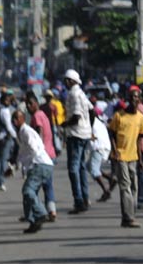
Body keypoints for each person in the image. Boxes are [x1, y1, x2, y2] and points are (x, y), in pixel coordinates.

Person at [107, 86, 143, 228]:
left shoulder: (140, 118)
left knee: (134, 187)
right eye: (131, 97)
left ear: (139, 100)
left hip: (133, 156)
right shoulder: (119, 116)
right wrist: (114, 150)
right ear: (127, 99)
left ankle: (128, 216)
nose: (134, 100)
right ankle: (129, 217)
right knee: (125, 185)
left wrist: (140, 157)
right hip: (120, 155)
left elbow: (139, 137)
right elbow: (111, 133)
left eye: (136, 97)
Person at [12, 110, 55, 234]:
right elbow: (22, 152)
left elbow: (33, 149)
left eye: (17, 118)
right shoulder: (22, 132)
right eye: (13, 119)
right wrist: (15, 166)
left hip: (39, 164)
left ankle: (41, 214)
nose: (14, 121)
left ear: (23, 119)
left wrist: (29, 164)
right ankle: (33, 222)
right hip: (40, 164)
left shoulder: (26, 131)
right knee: (29, 195)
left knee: (28, 191)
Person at [61, 69, 93, 214]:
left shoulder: (74, 94)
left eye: (66, 80)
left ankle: (79, 201)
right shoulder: (81, 93)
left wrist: (65, 124)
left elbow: (77, 116)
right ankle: (85, 198)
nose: (65, 83)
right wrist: (89, 128)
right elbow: (92, 111)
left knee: (73, 169)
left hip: (76, 134)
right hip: (84, 134)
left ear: (70, 81)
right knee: (80, 168)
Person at [25, 92, 57, 221]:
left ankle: (36, 212)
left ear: (36, 104)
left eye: (30, 103)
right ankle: (51, 211)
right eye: (27, 104)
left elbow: (39, 132)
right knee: (47, 185)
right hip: (50, 154)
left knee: (33, 186)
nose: (28, 106)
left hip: (43, 156)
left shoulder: (37, 116)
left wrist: (37, 151)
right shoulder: (43, 114)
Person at [0, 90, 17, 191]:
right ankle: (2, 182)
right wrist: (16, 137)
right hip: (4, 138)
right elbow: (9, 127)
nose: (8, 101)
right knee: (3, 160)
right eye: (7, 100)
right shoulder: (5, 111)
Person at [89, 107, 114, 203]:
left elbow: (93, 137)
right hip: (101, 147)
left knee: (94, 170)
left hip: (99, 147)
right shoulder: (98, 122)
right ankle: (109, 178)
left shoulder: (94, 123)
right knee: (89, 166)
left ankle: (106, 190)